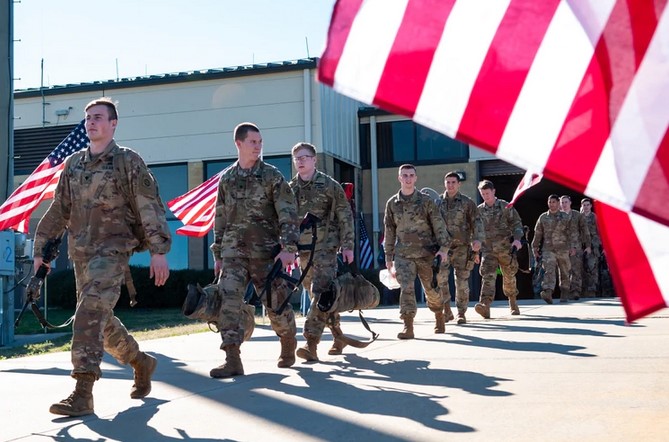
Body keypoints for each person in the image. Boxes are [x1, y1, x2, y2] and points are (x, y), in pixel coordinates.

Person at [33, 97, 172, 417]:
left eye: (98, 117)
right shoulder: (74, 164)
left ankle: (83, 391)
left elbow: (148, 205)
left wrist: (159, 251)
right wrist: (41, 250)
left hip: (112, 251)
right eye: (88, 118)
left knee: (89, 312)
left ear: (113, 124)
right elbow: (59, 209)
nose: (91, 122)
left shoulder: (127, 161)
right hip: (81, 252)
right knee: (100, 322)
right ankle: (141, 362)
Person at [210, 122, 300, 378]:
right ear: (238, 143)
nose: (258, 146)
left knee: (276, 304)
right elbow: (220, 218)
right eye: (253, 142)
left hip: (265, 253)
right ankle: (232, 358)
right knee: (228, 303)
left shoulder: (272, 176)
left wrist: (289, 247)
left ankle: (287, 340)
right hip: (233, 254)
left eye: (260, 142)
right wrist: (218, 254)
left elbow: (288, 213)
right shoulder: (227, 179)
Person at [288, 142, 354, 361]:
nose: (300, 161)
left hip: (325, 248)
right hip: (303, 251)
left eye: (304, 157)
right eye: (297, 158)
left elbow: (345, 215)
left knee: (320, 293)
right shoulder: (290, 189)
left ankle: (311, 343)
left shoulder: (328, 185)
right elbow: (285, 221)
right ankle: (338, 335)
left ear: (314, 160)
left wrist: (348, 245)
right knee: (319, 297)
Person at [383, 164, 451, 339]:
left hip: (426, 254)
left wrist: (443, 249)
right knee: (406, 288)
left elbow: (439, 225)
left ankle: (438, 314)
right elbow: (389, 231)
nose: (407, 178)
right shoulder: (392, 203)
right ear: (399, 178)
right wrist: (388, 256)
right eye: (404, 175)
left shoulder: (426, 201)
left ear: (415, 178)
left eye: (411, 175)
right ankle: (408, 326)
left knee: (431, 289)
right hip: (403, 254)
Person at [437, 171, 484, 325]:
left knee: (462, 281)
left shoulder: (466, 202)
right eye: (448, 182)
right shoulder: (437, 203)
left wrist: (477, 241)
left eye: (453, 182)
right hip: (443, 249)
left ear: (459, 184)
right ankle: (446, 310)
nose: (450, 185)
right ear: (444, 184)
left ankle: (461, 312)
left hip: (462, 247)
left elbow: (476, 222)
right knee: (440, 279)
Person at [476, 180, 524, 317]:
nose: (485, 196)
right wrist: (475, 250)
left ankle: (513, 301)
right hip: (488, 250)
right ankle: (485, 305)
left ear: (493, 191)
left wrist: (517, 239)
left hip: (505, 249)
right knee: (488, 276)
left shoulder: (505, 206)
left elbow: (517, 224)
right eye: (483, 193)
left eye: (487, 193)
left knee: (509, 276)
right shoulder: (479, 210)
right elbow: (476, 231)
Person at [532, 194, 575, 303]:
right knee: (548, 270)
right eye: (550, 202)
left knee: (564, 271)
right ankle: (548, 292)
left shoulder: (565, 217)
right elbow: (538, 233)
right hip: (548, 249)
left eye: (554, 202)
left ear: (558, 203)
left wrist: (573, 246)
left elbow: (572, 233)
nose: (551, 204)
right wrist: (535, 247)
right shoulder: (543, 217)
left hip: (563, 248)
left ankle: (565, 291)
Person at [560, 195, 591, 300]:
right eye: (562, 202)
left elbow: (585, 231)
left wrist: (588, 246)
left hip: (576, 247)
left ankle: (575, 291)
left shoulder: (577, 215)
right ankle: (565, 292)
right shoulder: (557, 216)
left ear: (570, 203)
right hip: (562, 247)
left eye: (566, 202)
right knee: (564, 271)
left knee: (576, 270)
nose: (564, 204)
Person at [580, 198, 600, 297]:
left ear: (591, 206)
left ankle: (592, 291)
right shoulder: (579, 217)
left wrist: (602, 247)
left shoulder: (594, 217)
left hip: (593, 246)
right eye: (584, 205)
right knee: (581, 268)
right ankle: (583, 292)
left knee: (592, 268)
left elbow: (600, 232)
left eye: (588, 205)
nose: (586, 207)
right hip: (581, 246)